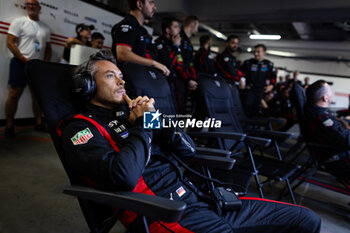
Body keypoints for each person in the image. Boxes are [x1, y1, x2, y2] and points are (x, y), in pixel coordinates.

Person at [59, 49, 321, 233]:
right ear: (87, 86)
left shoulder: (132, 112)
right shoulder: (80, 128)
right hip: (164, 212)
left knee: (305, 219)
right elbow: (123, 176)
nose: (121, 80)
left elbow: (188, 150)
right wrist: (143, 125)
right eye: (110, 76)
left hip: (201, 198)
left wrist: (156, 121)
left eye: (120, 75)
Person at [4, 0, 52, 137]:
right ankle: (9, 125)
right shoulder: (19, 22)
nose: (30, 6)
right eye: (28, 4)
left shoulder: (45, 27)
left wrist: (45, 63)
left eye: (33, 4)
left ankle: (38, 123)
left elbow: (48, 48)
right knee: (14, 94)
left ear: (39, 7)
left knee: (37, 96)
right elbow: (10, 42)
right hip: (20, 63)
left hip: (37, 67)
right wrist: (23, 58)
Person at [304, 80, 350, 184]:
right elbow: (346, 141)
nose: (331, 93)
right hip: (338, 160)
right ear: (325, 98)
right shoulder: (322, 119)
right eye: (330, 91)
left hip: (338, 153)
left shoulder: (318, 112)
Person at [111, 0, 169, 76]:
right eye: (151, 2)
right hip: (127, 82)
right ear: (140, 4)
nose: (154, 7)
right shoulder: (128, 24)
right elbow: (123, 54)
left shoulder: (140, 29)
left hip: (139, 79)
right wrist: (152, 63)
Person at [151, 17, 190, 113]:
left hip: (178, 83)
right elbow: (168, 64)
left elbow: (181, 64)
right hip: (164, 84)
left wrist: (188, 79)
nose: (179, 29)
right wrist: (176, 47)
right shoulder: (159, 44)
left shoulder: (175, 43)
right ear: (167, 30)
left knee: (180, 110)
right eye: (176, 27)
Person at [240, 44, 276, 117]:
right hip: (249, 90)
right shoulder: (248, 62)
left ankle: (253, 127)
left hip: (261, 91)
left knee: (256, 111)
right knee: (246, 110)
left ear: (264, 53)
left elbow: (273, 77)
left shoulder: (269, 64)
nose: (255, 54)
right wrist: (241, 80)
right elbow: (240, 73)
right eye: (255, 51)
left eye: (258, 52)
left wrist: (271, 85)